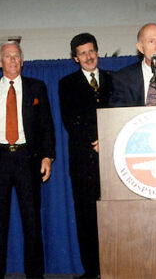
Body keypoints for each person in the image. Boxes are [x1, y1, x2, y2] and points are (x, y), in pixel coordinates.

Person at [0, 41, 55, 278]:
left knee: (32, 224)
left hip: (27, 160)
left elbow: (47, 127)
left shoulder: (37, 87)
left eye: (16, 56)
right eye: (7, 56)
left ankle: (35, 275)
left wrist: (47, 157)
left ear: (22, 61)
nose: (12, 60)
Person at [59, 33, 112, 278]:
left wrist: (108, 141)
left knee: (113, 218)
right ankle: (92, 272)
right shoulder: (66, 83)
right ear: (75, 58)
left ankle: (114, 268)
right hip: (83, 162)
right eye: (82, 53)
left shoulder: (114, 80)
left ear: (97, 52)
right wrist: (95, 142)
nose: (88, 57)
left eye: (91, 51)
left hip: (112, 160)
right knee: (86, 219)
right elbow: (71, 121)